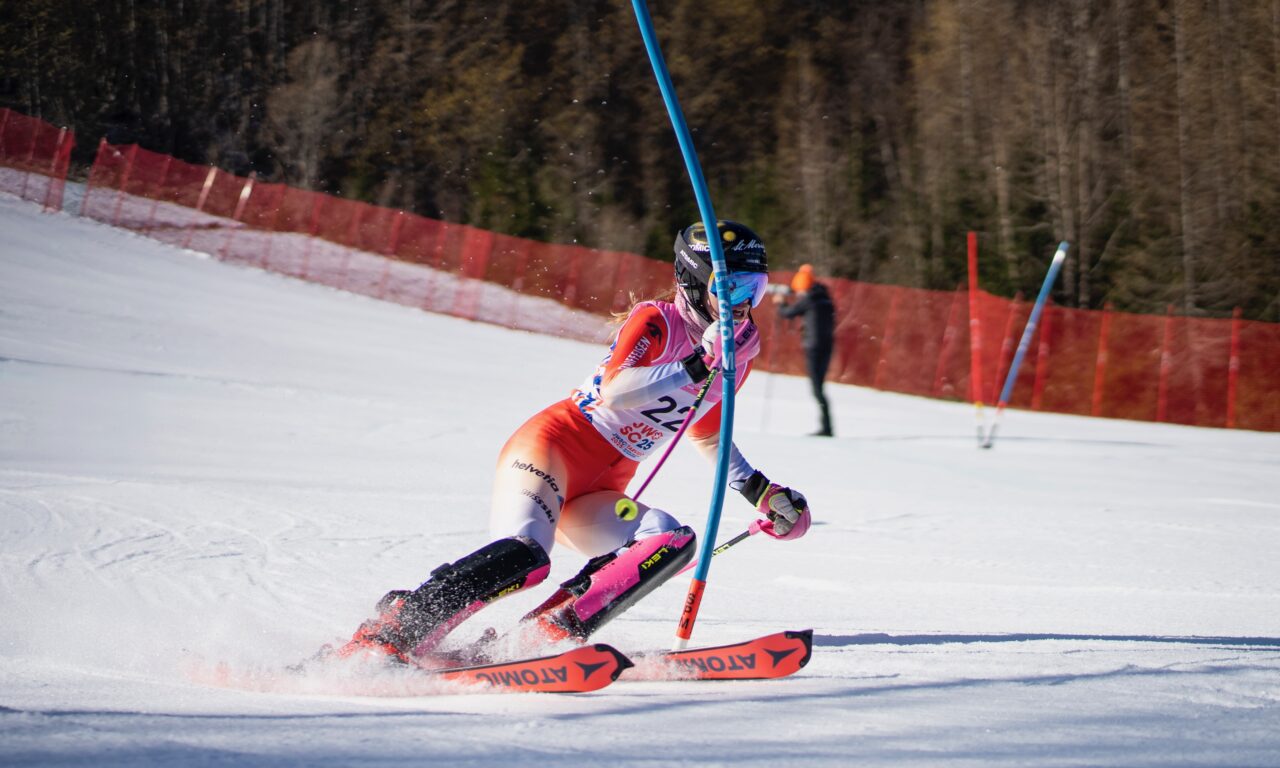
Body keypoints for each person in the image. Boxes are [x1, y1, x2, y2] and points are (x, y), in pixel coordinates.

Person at [337, 220, 813, 664]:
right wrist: (693, 366)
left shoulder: (738, 355)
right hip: (551, 451)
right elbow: (615, 391)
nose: (744, 303)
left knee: (669, 540)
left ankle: (547, 633)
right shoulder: (657, 321)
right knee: (527, 556)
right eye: (732, 287)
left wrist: (761, 492)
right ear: (693, 281)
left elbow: (706, 432)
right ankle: (395, 629)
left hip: (600, 490)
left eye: (755, 289)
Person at [774, 264, 836, 437]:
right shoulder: (824, 298)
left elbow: (787, 313)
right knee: (819, 388)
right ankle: (827, 426)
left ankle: (827, 428)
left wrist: (780, 303)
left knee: (817, 389)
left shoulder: (809, 299)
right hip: (827, 346)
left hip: (813, 347)